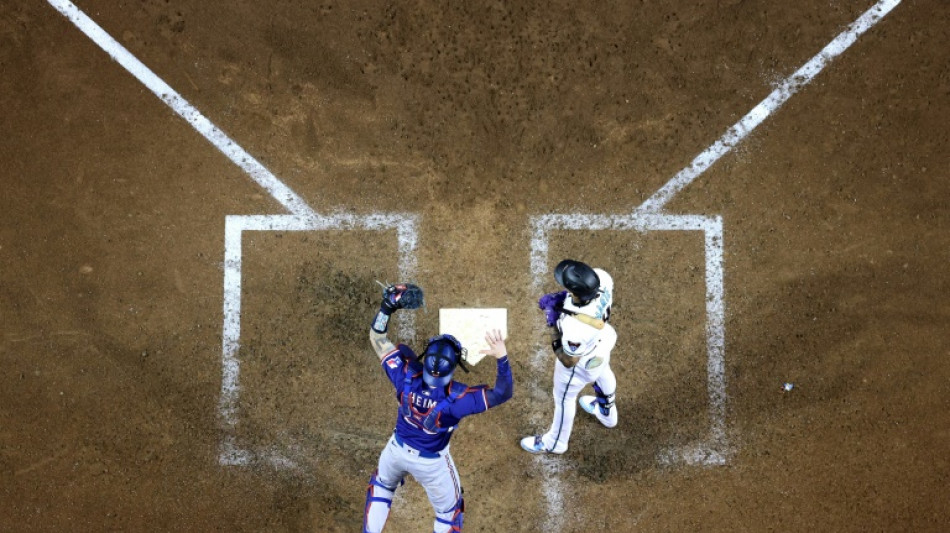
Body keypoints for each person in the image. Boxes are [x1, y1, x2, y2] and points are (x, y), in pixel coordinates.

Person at [363, 283, 513, 533]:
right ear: (453, 367)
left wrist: (387, 307)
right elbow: (502, 393)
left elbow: (377, 337)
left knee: (381, 486)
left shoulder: (403, 374)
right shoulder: (459, 399)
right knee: (449, 515)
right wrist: (502, 357)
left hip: (395, 451)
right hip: (432, 465)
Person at [521, 259, 618, 455]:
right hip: (603, 340)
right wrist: (564, 298)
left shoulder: (576, 329)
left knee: (564, 398)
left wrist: (552, 324)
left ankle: (555, 443)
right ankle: (607, 413)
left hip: (582, 362)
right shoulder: (603, 278)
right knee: (603, 371)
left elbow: (568, 360)